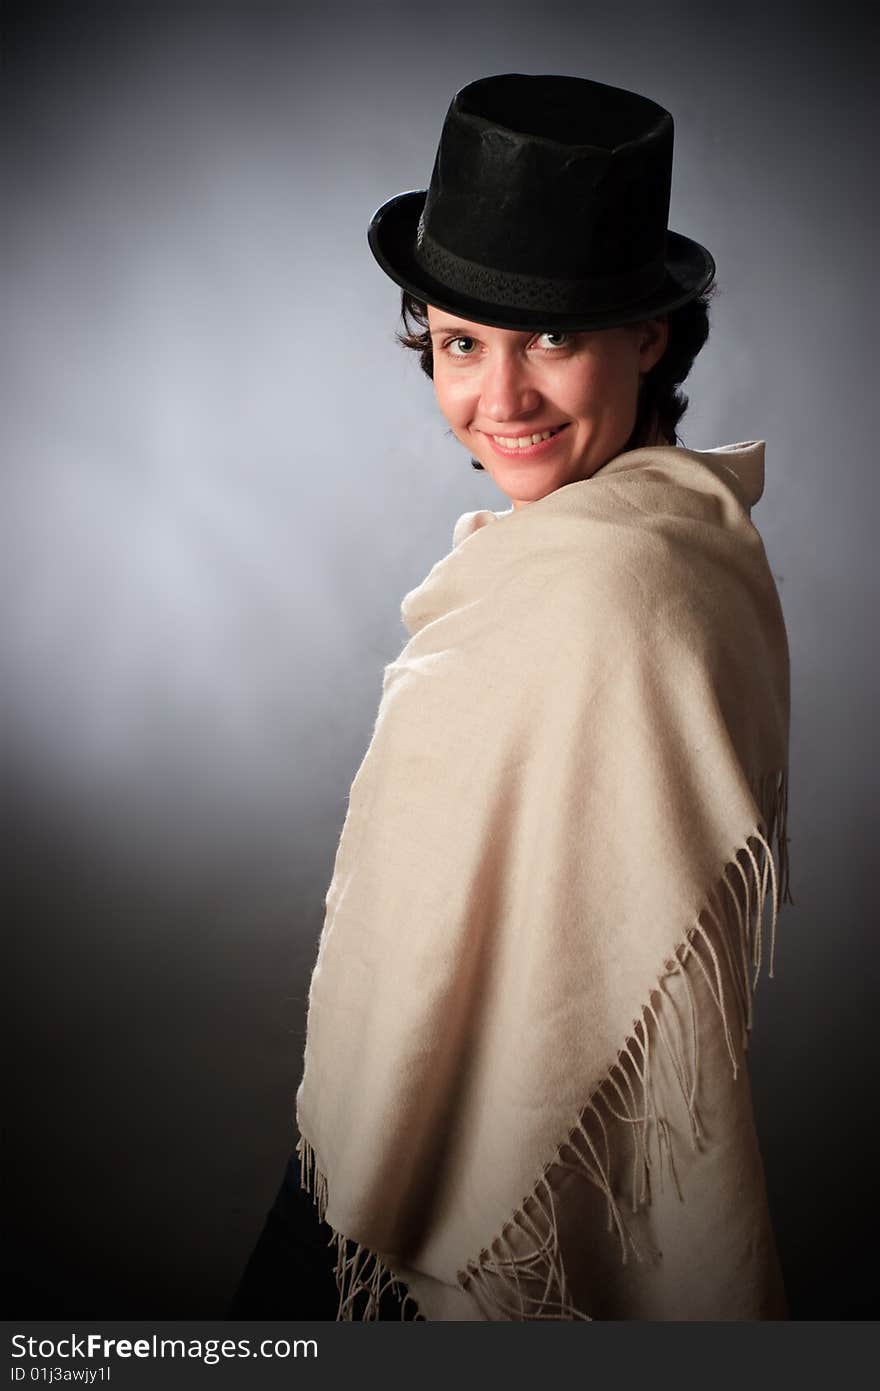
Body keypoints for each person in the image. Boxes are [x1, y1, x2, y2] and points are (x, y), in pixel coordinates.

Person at [231, 72, 793, 1322]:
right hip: (396, 1117)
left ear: (649, 334)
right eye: (459, 344)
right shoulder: (659, 537)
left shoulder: (618, 577)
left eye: (552, 337)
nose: (501, 401)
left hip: (471, 1182)